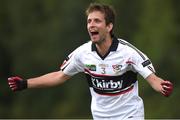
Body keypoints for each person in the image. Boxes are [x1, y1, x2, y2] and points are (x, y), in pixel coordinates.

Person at [8, 2, 173, 120]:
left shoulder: (128, 52)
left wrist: (162, 86)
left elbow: (152, 79)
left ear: (109, 27)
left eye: (97, 21)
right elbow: (59, 76)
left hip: (129, 115)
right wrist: (25, 83)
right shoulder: (83, 53)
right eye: (89, 21)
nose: (91, 25)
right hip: (100, 116)